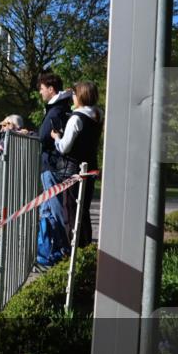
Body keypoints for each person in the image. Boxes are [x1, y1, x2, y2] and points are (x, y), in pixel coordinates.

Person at [52, 81, 103, 249]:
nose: (72, 98)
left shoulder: (76, 118)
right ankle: (86, 248)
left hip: (72, 171)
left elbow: (65, 147)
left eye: (73, 94)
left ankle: (74, 250)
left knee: (71, 211)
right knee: (84, 211)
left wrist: (57, 138)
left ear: (80, 96)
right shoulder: (98, 115)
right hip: (89, 168)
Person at [37, 72, 73, 265]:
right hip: (52, 165)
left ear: (51, 89)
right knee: (48, 208)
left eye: (42, 89)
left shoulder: (55, 110)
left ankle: (62, 248)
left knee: (54, 206)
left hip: (51, 166)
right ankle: (50, 250)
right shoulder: (61, 108)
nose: (41, 93)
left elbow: (44, 137)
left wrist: (38, 135)